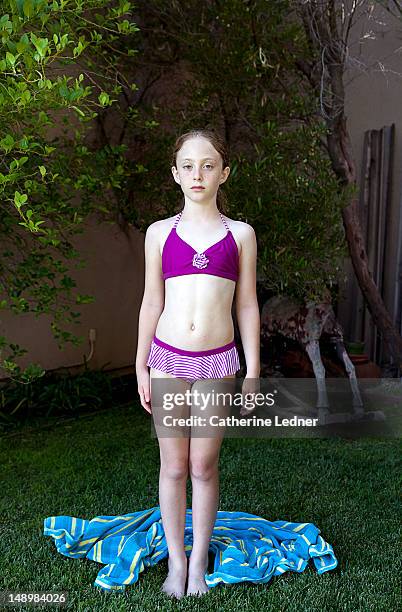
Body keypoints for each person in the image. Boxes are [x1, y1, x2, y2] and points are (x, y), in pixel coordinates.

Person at [135, 128, 260, 598]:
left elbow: (247, 305)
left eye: (208, 165)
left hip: (217, 363)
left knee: (204, 465)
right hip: (167, 360)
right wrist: (141, 363)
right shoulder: (159, 234)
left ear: (224, 173)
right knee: (173, 465)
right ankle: (176, 561)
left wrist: (252, 370)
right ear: (175, 174)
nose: (197, 174)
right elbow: (151, 302)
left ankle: (199, 563)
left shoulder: (240, 235)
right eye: (188, 166)